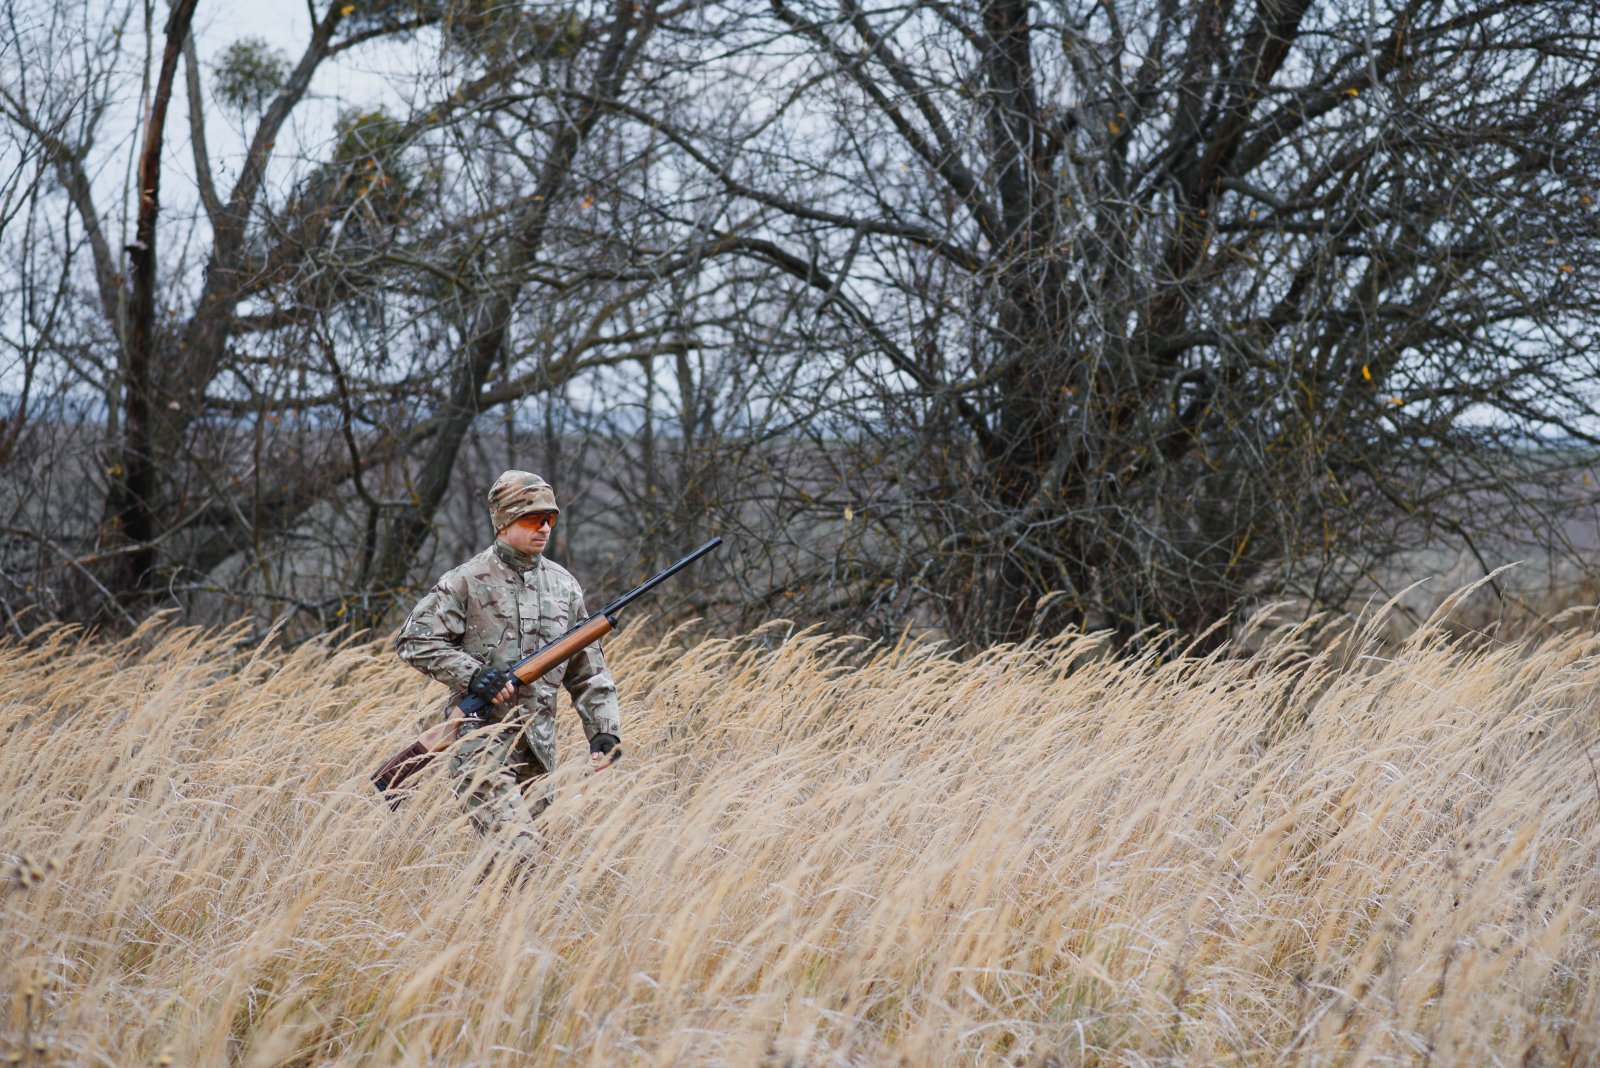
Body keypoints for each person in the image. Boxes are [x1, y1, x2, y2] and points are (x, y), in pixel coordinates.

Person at [394, 470, 621, 859]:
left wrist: (603, 731)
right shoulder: (466, 580)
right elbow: (413, 640)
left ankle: (480, 920)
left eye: (550, 518)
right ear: (503, 523)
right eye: (533, 519)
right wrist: (475, 676)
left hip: (539, 749)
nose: (545, 528)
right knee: (520, 854)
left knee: (525, 874)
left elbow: (588, 669)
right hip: (479, 742)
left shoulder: (564, 586)